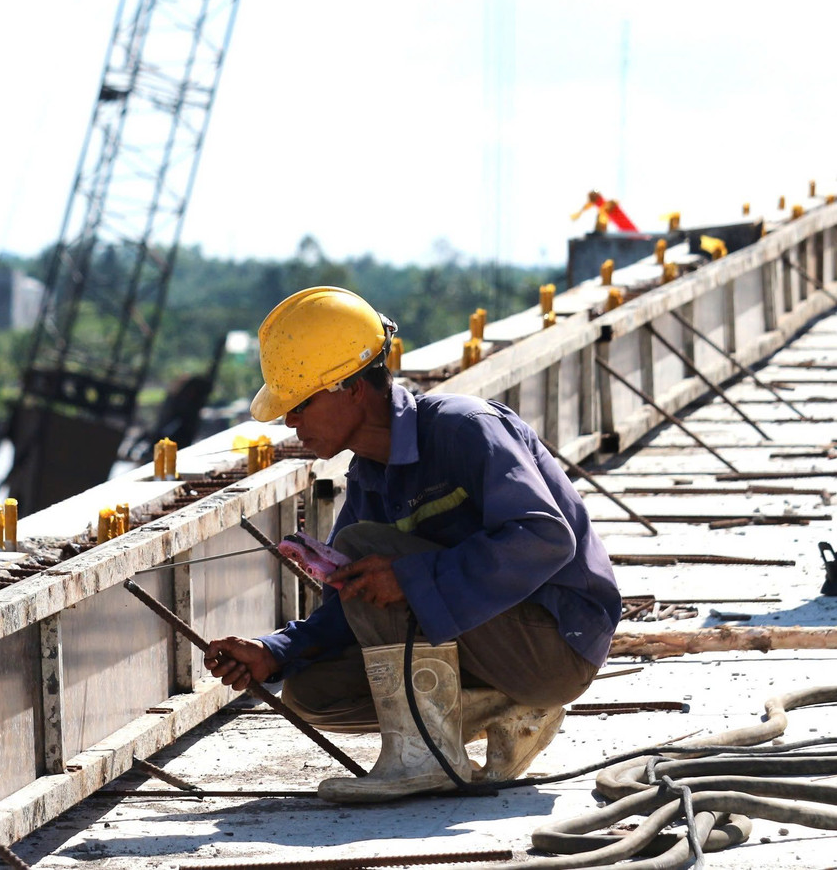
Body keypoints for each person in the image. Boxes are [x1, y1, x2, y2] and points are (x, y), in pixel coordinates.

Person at [204, 286, 620, 803]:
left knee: (363, 548)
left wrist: (408, 577)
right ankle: (506, 710)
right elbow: (357, 603)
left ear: (351, 388)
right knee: (310, 692)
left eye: (301, 404)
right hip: (492, 651)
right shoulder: (368, 478)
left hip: (556, 645)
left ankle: (424, 759)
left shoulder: (465, 428)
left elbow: (544, 536)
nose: (291, 422)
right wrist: (274, 651)